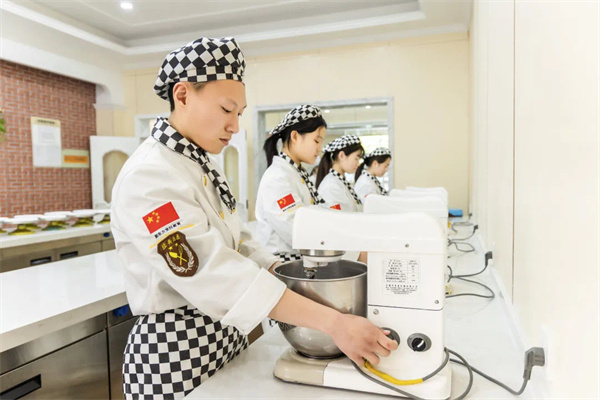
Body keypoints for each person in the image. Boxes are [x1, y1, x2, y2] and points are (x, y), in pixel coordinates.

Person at [111, 39, 397, 399]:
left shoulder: (202, 165)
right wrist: (335, 323)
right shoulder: (149, 174)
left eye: (240, 113)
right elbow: (212, 273)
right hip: (175, 354)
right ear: (182, 95)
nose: (234, 126)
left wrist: (286, 275)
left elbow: (241, 244)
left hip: (225, 338)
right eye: (226, 109)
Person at [255, 105, 331, 262]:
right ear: (295, 136)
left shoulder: (296, 173)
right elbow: (296, 230)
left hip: (302, 260)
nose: (320, 149)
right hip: (284, 265)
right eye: (316, 141)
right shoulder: (278, 178)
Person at [316, 135, 365, 212]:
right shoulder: (332, 186)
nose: (358, 164)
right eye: (356, 158)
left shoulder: (340, 182)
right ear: (341, 156)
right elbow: (337, 217)